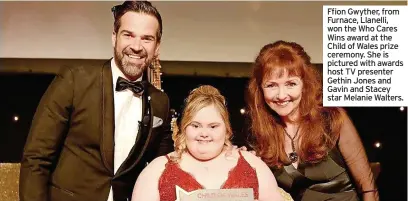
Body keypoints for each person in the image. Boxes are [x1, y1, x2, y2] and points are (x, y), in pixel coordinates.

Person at [19, 1, 173, 201]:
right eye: (128, 35)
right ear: (114, 37)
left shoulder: (161, 102)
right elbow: (36, 160)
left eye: (147, 38)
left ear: (157, 46)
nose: (136, 46)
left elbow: (162, 169)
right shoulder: (74, 81)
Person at [246, 40, 379, 201]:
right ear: (260, 88)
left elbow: (368, 189)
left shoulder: (333, 120)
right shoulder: (262, 133)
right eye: (271, 85)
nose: (281, 95)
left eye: (291, 84)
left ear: (305, 84)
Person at [131, 85, 286, 201]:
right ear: (184, 128)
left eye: (213, 126)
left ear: (226, 129)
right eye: (196, 126)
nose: (204, 133)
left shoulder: (253, 164)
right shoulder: (156, 170)